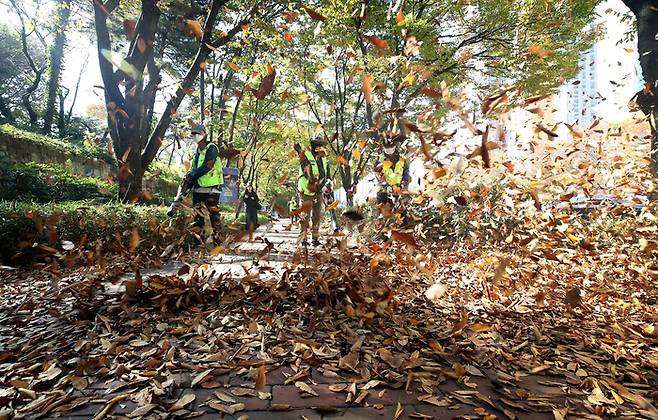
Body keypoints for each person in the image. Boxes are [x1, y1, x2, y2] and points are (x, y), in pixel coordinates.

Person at [183, 123, 224, 244]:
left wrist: (192, 174)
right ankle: (198, 243)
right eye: (193, 134)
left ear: (204, 134)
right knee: (197, 216)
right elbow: (194, 169)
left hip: (211, 190)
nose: (195, 135)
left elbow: (208, 166)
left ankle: (218, 242)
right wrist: (188, 177)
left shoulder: (212, 148)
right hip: (199, 189)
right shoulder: (197, 152)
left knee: (214, 216)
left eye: (198, 133)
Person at [296, 137, 329, 247]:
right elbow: (306, 174)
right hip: (306, 191)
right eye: (321, 147)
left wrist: (326, 184)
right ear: (316, 148)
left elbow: (326, 176)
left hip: (318, 192)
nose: (324, 149)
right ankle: (303, 239)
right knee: (305, 216)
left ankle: (315, 239)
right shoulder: (305, 157)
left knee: (316, 216)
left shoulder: (324, 160)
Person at [376, 136, 410, 217]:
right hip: (383, 191)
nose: (390, 155)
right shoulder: (380, 160)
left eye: (391, 151)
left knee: (401, 212)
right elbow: (378, 176)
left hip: (397, 189)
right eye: (388, 152)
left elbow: (406, 173)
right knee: (384, 212)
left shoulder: (402, 159)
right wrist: (386, 186)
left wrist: (403, 184)